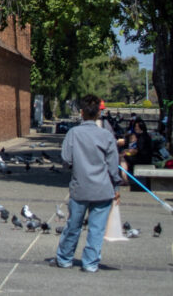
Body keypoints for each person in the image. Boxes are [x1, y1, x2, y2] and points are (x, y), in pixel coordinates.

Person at [53, 94, 121, 273]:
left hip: (80, 187)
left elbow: (66, 160)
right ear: (99, 113)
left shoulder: (73, 134)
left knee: (73, 225)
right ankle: (90, 263)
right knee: (96, 229)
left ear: (81, 112)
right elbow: (114, 166)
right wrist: (116, 186)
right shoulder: (107, 136)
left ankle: (65, 258)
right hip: (103, 188)